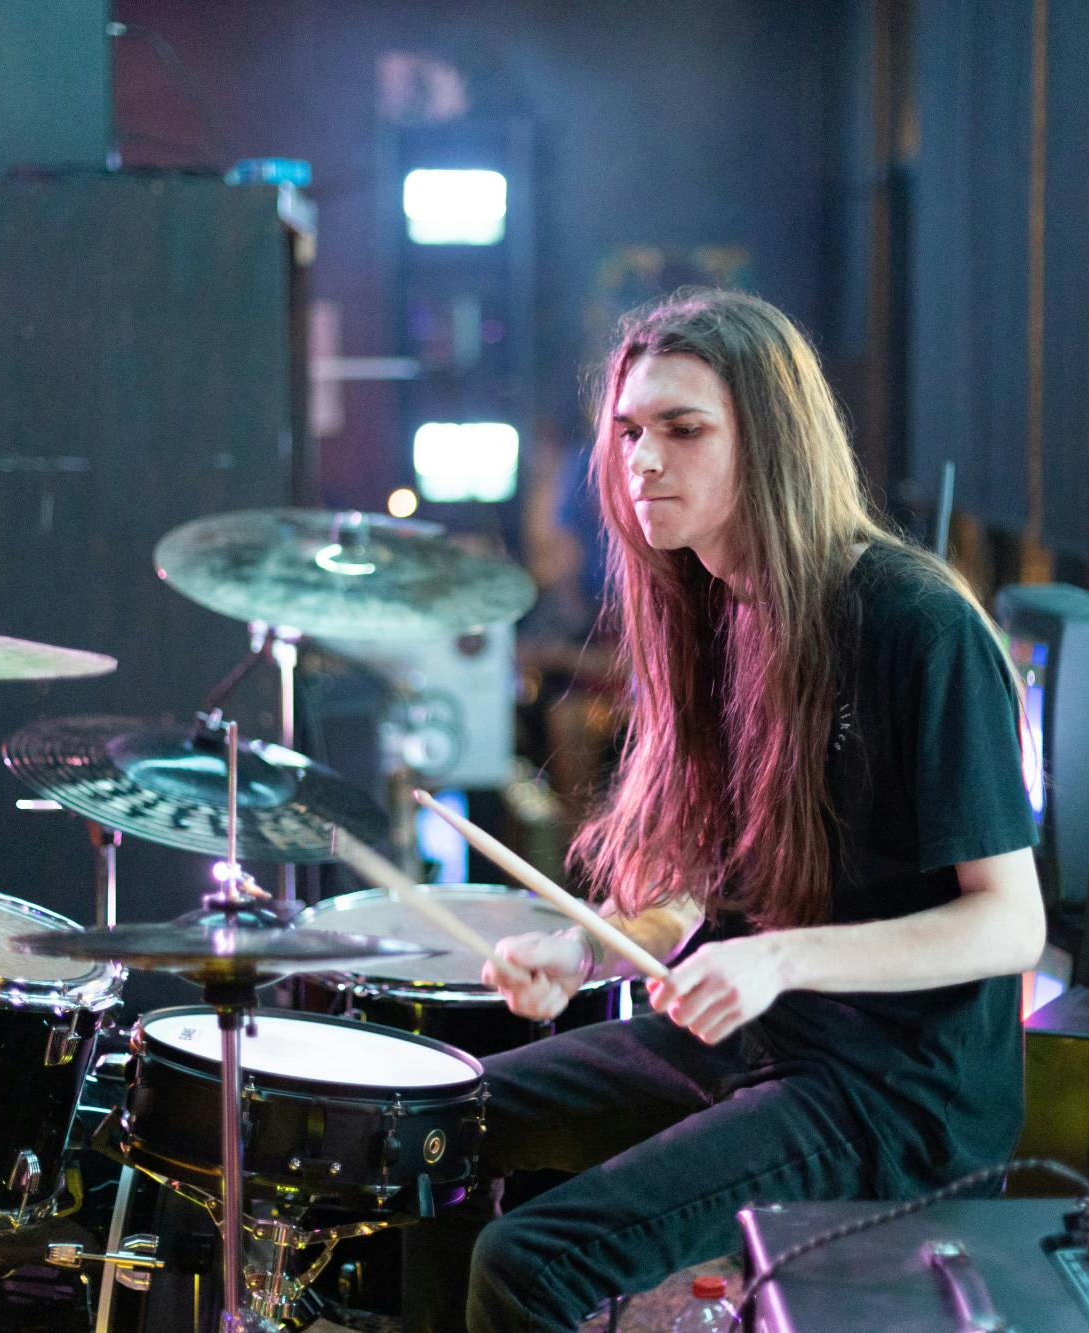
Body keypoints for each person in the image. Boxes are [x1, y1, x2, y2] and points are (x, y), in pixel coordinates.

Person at [405, 288, 1044, 1333]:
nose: (638, 460)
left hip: (896, 1093)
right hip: (761, 1040)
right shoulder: (709, 609)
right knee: (432, 1121)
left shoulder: (916, 625)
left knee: (527, 1263)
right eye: (627, 432)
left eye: (681, 429)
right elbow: (705, 890)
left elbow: (1008, 923)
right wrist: (589, 952)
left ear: (770, 441)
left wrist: (782, 958)